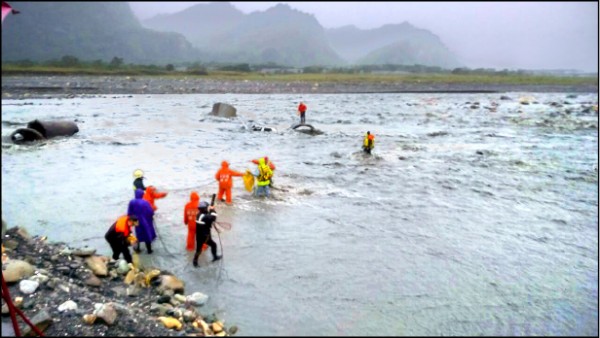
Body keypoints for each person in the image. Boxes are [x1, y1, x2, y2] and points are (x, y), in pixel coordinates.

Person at [193, 201, 221, 267]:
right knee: (214, 245)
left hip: (198, 235)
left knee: (198, 250)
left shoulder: (199, 214)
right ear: (204, 209)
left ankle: (195, 262)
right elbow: (214, 217)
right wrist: (212, 209)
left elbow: (208, 216)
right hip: (205, 236)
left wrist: (210, 210)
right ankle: (215, 257)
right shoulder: (206, 217)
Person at [127, 188, 156, 254]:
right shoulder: (145, 202)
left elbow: (129, 213)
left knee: (137, 233)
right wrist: (151, 216)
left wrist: (132, 220)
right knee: (147, 234)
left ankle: (137, 249)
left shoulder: (131, 202)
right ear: (142, 194)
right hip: (144, 221)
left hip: (134, 219)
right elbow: (150, 212)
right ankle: (149, 250)